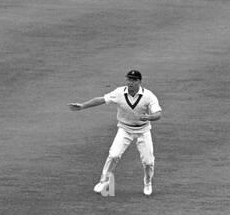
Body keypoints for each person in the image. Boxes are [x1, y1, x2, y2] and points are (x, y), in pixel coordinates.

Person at [69, 68, 162, 196]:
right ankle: (104, 181)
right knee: (113, 155)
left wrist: (149, 117)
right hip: (124, 129)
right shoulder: (119, 92)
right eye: (129, 79)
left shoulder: (148, 95)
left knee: (148, 162)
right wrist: (83, 105)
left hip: (143, 130)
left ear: (139, 82)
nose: (130, 82)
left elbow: (158, 114)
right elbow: (102, 99)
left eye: (134, 80)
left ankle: (147, 182)